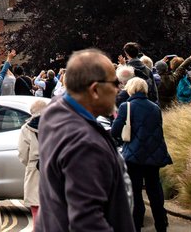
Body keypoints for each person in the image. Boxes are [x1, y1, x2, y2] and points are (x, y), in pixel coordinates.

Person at [35, 49, 134, 232]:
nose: (118, 89)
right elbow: (87, 223)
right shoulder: (86, 144)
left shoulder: (53, 112)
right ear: (95, 90)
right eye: (114, 83)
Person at [110, 77, 170, 232]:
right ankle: (161, 225)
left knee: (136, 193)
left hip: (134, 155)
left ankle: (136, 226)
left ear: (131, 89)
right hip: (154, 154)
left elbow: (115, 131)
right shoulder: (155, 107)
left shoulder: (126, 106)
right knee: (155, 191)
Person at [17, 97, 51, 226]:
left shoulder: (26, 129)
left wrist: (29, 164)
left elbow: (22, 153)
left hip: (34, 168)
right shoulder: (54, 125)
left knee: (35, 205)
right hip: (52, 167)